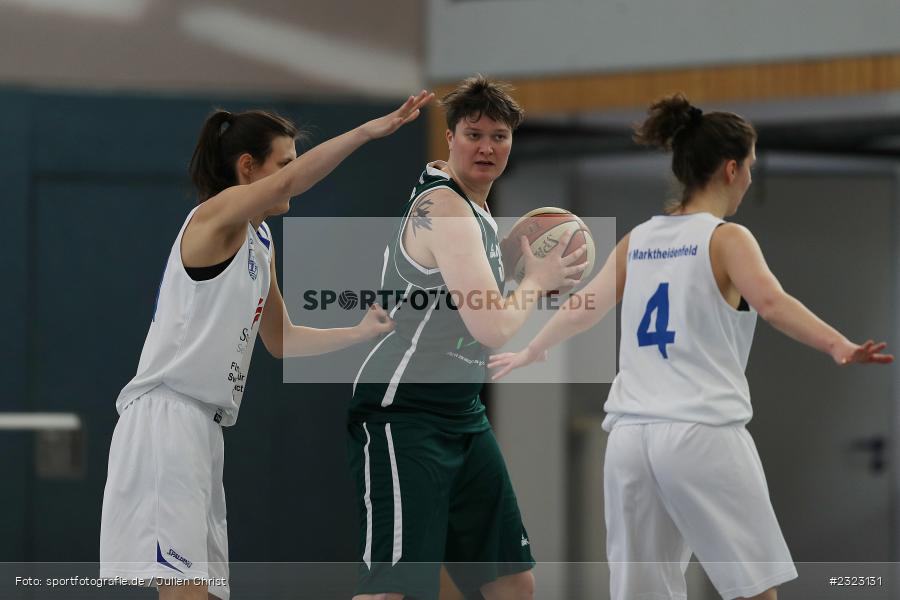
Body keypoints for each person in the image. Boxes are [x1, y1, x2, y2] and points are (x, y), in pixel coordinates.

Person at [488, 93, 893, 600]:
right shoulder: (727, 238)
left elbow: (583, 306)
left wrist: (534, 349)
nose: (749, 176)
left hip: (631, 439)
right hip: (701, 432)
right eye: (749, 165)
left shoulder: (639, 239)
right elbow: (770, 302)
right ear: (730, 169)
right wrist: (837, 345)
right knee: (754, 590)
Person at [99, 91, 433, 600]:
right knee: (183, 594)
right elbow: (295, 180)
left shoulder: (261, 241)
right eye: (283, 163)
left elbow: (282, 339)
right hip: (165, 420)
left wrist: (360, 332)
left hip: (203, 429)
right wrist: (367, 132)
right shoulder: (217, 215)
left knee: (206, 594)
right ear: (248, 168)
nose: (291, 176)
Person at [347, 75, 585, 600]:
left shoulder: (470, 207)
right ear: (450, 137)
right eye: (474, 134)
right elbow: (492, 326)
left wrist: (514, 258)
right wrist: (535, 282)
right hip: (403, 412)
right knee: (396, 589)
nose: (487, 147)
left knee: (511, 581)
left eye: (499, 136)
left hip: (460, 411)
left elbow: (460, 292)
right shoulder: (447, 207)